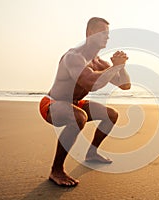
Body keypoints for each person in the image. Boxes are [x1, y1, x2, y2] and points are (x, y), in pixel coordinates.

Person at [39, 17, 131, 187]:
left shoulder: (99, 62)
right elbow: (89, 82)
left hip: (75, 103)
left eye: (108, 34)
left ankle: (92, 153)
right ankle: (56, 170)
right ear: (89, 33)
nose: (107, 37)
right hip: (52, 104)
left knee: (111, 115)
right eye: (103, 33)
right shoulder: (73, 57)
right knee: (79, 117)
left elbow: (125, 85)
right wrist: (114, 67)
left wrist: (121, 66)